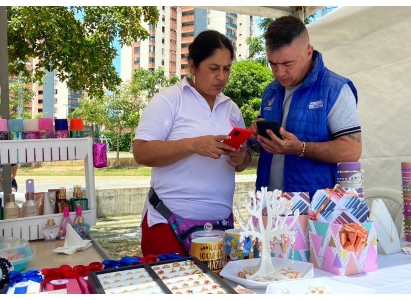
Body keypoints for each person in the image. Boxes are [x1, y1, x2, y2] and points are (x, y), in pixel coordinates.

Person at [133, 30, 252, 256]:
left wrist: (242, 158)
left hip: (220, 225)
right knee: (173, 287)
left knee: (218, 288)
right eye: (213, 68)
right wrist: (193, 145)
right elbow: (141, 152)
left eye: (227, 69)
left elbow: (242, 162)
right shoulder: (168, 100)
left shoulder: (231, 108)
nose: (222, 77)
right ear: (193, 66)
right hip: (167, 222)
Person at [248, 16, 362, 198]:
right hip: (269, 206)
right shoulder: (271, 91)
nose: (279, 72)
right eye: (272, 64)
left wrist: (300, 148)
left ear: (309, 52)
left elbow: (352, 150)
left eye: (287, 64)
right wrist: (255, 136)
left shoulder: (335, 89)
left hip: (315, 209)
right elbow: (260, 148)